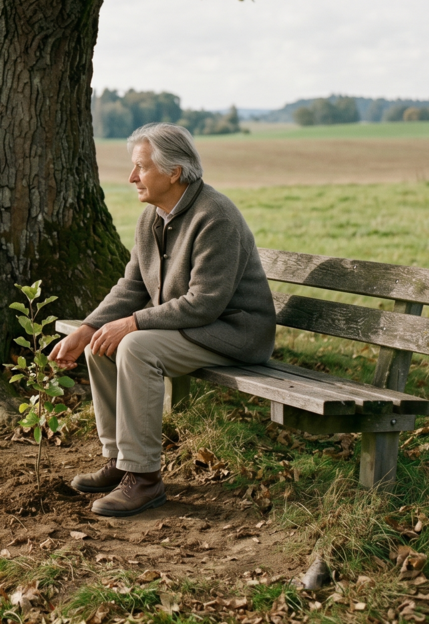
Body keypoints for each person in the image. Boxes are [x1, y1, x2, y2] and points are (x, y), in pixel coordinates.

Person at [50, 122, 276, 517]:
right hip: (193, 327)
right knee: (101, 344)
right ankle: (121, 460)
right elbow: (132, 286)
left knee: (135, 346)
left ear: (175, 172)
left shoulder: (216, 217)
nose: (132, 177)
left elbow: (204, 303)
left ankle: (145, 480)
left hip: (233, 333)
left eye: (141, 167)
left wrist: (133, 323)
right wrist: (87, 330)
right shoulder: (151, 218)